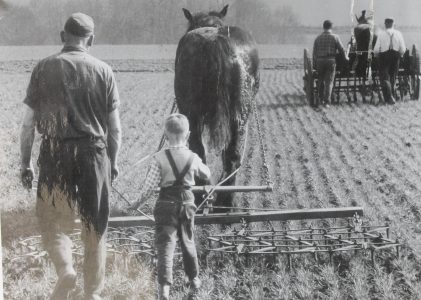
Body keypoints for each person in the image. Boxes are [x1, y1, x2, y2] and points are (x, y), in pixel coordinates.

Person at [19, 13, 122, 300]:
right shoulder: (104, 71)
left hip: (54, 152)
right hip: (94, 153)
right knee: (95, 224)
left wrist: (25, 163)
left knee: (53, 219)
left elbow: (28, 125)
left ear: (62, 36)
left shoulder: (43, 68)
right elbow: (115, 128)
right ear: (91, 39)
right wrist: (111, 162)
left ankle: (66, 270)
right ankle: (93, 293)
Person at [130, 113, 211, 300]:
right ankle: (194, 279)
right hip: (188, 203)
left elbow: (149, 187)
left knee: (166, 245)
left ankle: (164, 289)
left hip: (166, 203)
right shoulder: (193, 157)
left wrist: (136, 204)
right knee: (188, 241)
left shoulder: (159, 158)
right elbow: (206, 174)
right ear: (188, 135)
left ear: (166, 136)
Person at [313, 20, 348, 106]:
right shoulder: (335, 37)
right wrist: (345, 58)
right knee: (329, 82)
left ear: (323, 27)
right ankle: (327, 102)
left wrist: (315, 64)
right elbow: (341, 49)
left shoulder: (318, 38)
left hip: (320, 61)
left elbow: (314, 53)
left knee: (320, 80)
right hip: (330, 60)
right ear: (331, 27)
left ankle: (320, 99)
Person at [373, 18, 406, 104]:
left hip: (384, 57)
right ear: (393, 24)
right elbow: (403, 48)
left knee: (384, 77)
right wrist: (400, 55)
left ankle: (390, 97)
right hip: (396, 56)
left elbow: (376, 49)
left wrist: (377, 56)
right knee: (393, 77)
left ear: (385, 24)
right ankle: (392, 96)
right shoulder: (398, 33)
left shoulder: (381, 34)